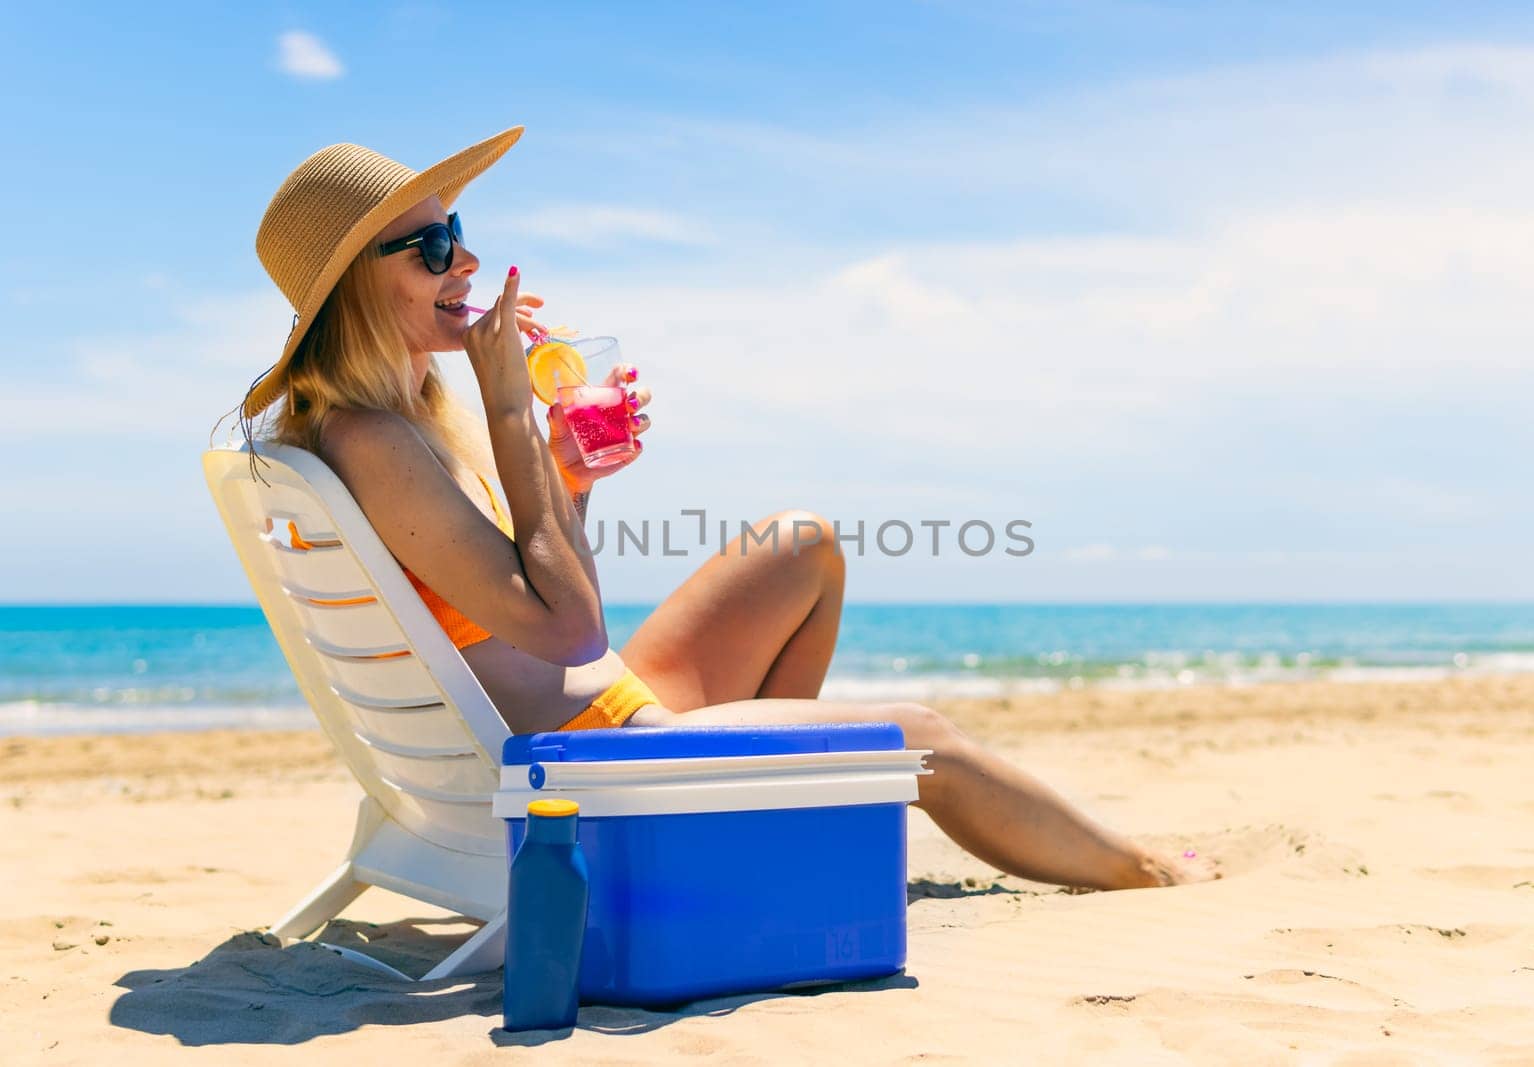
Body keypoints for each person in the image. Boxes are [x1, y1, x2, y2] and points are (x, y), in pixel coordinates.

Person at [236, 126, 1203, 891]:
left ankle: (772, 803)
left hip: (592, 718)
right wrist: (509, 411)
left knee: (802, 546)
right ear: (363, 283)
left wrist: (565, 477)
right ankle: (1141, 870)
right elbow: (571, 630)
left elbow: (545, 614)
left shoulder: (383, 422)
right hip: (584, 765)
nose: (467, 259)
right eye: (435, 244)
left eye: (460, 232)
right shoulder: (378, 440)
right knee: (925, 739)